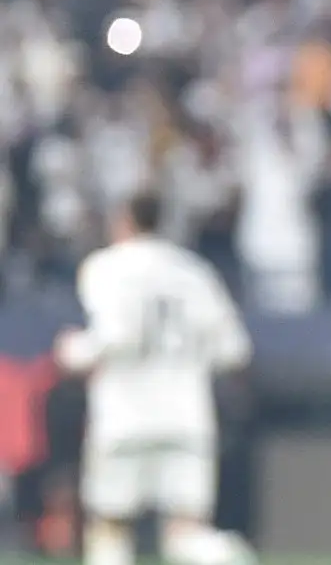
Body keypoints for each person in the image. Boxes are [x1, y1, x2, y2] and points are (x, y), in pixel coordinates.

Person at [54, 193, 257, 565]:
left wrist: (74, 352)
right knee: (186, 533)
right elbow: (234, 350)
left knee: (110, 528)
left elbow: (118, 335)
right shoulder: (194, 272)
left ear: (124, 221)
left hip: (124, 415)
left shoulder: (106, 267)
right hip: (186, 416)